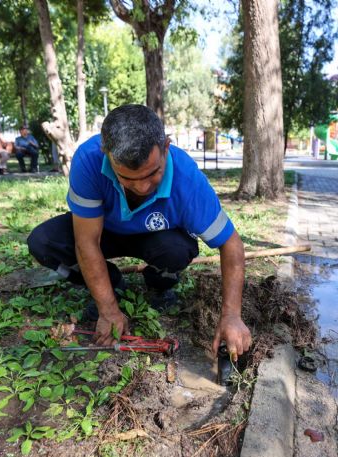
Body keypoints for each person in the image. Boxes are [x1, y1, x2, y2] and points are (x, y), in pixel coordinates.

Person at [27, 104, 252, 358]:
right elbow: (87, 242)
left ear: (166, 147)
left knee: (179, 250)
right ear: (106, 154)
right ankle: (112, 284)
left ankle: (159, 283)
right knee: (42, 242)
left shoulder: (187, 179)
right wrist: (109, 309)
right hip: (103, 233)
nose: (143, 187)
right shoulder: (88, 160)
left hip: (155, 238)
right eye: (128, 178)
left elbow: (231, 244)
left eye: (153, 173)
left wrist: (232, 316)